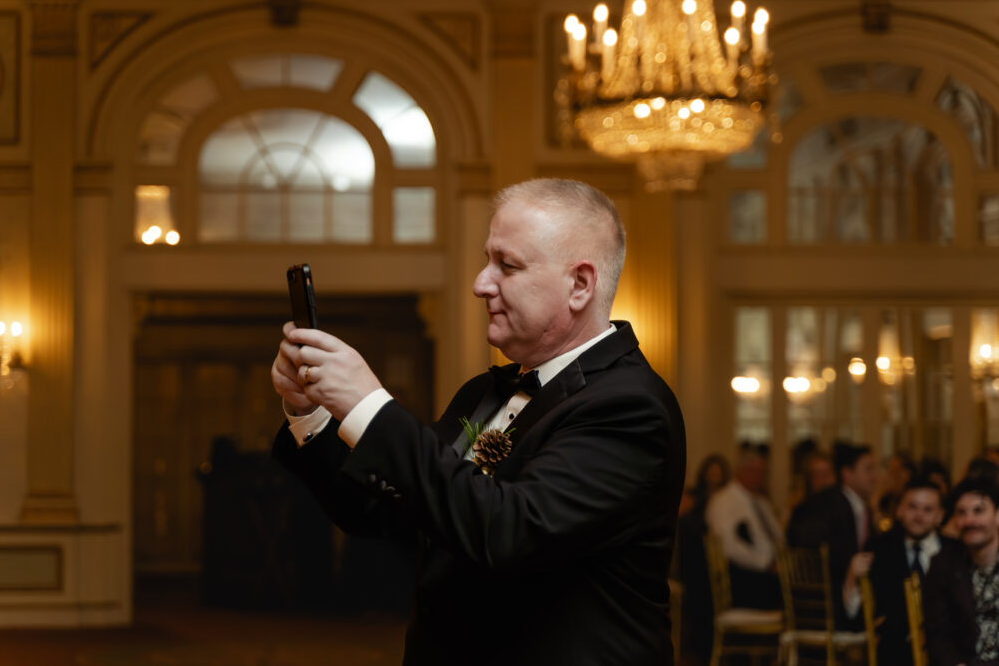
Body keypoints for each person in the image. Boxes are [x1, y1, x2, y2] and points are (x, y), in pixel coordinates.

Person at [269, 178, 687, 666]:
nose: (480, 283)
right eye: (488, 260)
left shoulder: (629, 406)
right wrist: (312, 412)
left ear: (579, 285)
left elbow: (506, 532)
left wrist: (369, 405)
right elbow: (387, 513)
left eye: (506, 265)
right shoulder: (483, 392)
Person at [846, 476, 955, 666]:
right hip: (895, 651)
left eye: (928, 509)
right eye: (912, 507)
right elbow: (857, 615)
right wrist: (851, 578)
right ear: (900, 510)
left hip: (948, 649)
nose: (919, 515)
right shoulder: (880, 548)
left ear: (940, 516)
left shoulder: (954, 551)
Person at [787, 441, 879, 630]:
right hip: (826, 608)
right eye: (868, 469)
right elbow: (817, 558)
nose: (875, 477)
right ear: (847, 473)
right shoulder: (828, 505)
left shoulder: (859, 506)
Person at [925, 477, 999, 666]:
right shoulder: (944, 564)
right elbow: (937, 634)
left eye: (979, 510)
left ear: (997, 515)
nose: (970, 520)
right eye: (961, 513)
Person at [706, 443, 782, 609]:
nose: (760, 477)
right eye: (756, 472)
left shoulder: (761, 501)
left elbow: (777, 537)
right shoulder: (723, 500)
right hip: (745, 578)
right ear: (742, 471)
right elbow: (727, 546)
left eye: (763, 473)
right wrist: (765, 563)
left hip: (771, 571)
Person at [677, 452, 730, 664]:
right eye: (711, 473)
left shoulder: (728, 499)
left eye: (718, 474)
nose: (714, 477)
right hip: (697, 561)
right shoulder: (695, 498)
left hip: (717, 561)